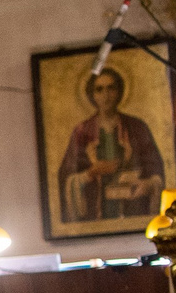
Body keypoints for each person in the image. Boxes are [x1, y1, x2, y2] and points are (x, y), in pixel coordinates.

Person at [56, 65, 166, 223]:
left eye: (111, 88)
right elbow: (67, 177)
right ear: (92, 94)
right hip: (94, 213)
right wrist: (91, 172)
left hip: (132, 211)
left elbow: (156, 169)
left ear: (119, 92)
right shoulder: (82, 132)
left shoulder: (137, 127)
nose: (105, 95)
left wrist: (148, 184)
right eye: (99, 89)